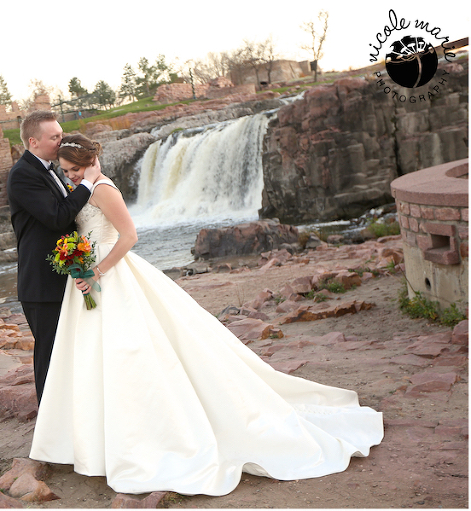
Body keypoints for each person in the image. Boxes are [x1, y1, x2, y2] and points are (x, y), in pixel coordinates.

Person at [29, 133, 384, 497]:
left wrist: (97, 271)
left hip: (110, 274)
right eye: (66, 171)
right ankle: (96, 442)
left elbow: (130, 235)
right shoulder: (86, 188)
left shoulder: (103, 189)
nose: (70, 176)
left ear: (90, 163)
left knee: (129, 354)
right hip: (91, 275)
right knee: (95, 357)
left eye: (74, 170)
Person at [7, 111, 100, 404]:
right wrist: (88, 184)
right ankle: (50, 429)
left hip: (63, 275)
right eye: (55, 137)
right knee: (49, 355)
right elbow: (57, 218)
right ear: (34, 141)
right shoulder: (23, 174)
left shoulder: (50, 168)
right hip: (42, 284)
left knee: (69, 351)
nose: (62, 141)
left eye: (61, 134)